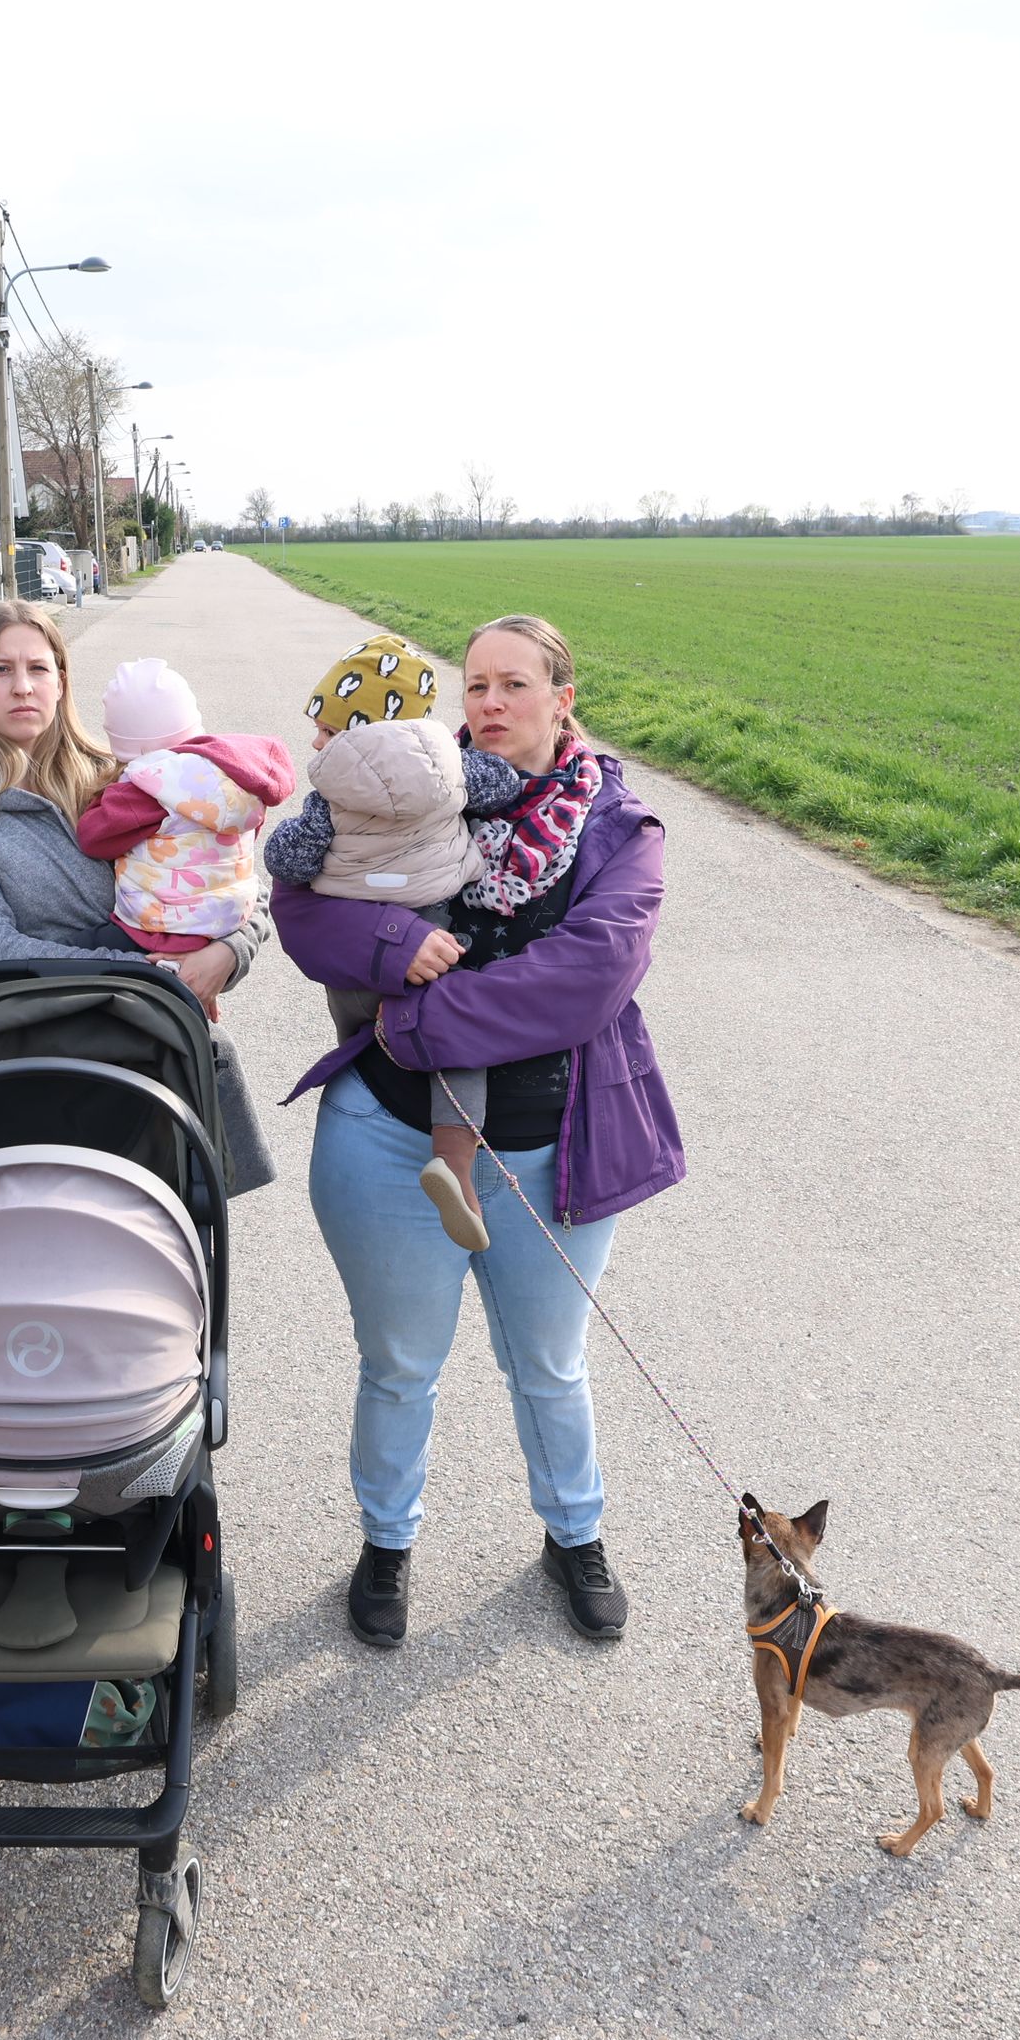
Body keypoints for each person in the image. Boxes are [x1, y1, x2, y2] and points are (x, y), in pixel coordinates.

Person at [272, 617, 683, 1651]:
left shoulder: (616, 827)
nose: (491, 704)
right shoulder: (415, 782)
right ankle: (385, 1544)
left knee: (548, 1362)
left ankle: (574, 1535)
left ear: (561, 698)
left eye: (515, 685)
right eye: (476, 686)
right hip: (385, 1140)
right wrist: (395, 938)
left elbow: (586, 979)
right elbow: (302, 908)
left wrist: (410, 1017)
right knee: (398, 1364)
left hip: (554, 1151)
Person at [0, 604, 280, 1193]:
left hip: (161, 1062)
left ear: (61, 682)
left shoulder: (128, 779)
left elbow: (235, 875)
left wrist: (229, 951)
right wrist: (154, 973)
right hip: (34, 1075)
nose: (23, 686)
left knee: (167, 1261)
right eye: (0, 670)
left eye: (38, 668)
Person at [260, 647, 530, 1252]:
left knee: (362, 1024)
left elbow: (289, 861)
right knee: (458, 1041)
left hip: (358, 948)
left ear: (353, 735)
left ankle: (372, 1050)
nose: (316, 745)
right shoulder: (455, 769)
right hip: (431, 926)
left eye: (325, 731)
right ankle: (454, 1159)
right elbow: (505, 785)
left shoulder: (329, 792)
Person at [71, 655, 296, 961]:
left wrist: (102, 795)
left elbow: (93, 837)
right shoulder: (236, 776)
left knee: (71, 951)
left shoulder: (150, 788)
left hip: (166, 927)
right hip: (230, 919)